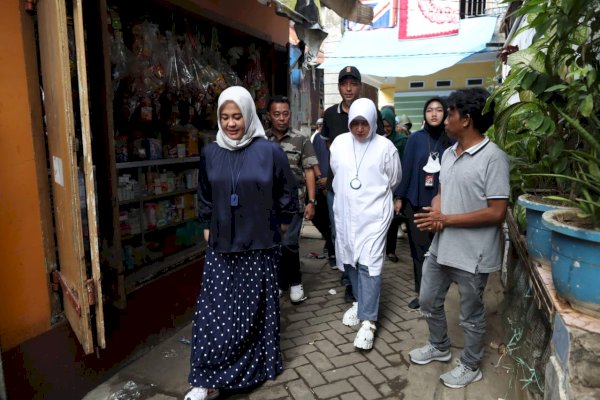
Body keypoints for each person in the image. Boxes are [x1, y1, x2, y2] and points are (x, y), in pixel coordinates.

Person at [186, 86, 298, 400]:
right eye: (225, 117)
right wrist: (207, 225)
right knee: (214, 311)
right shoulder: (210, 152)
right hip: (221, 246)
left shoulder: (269, 151)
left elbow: (287, 193)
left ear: (248, 115)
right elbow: (205, 193)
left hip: (260, 246)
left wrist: (280, 227)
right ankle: (208, 377)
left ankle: (252, 370)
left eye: (237, 116)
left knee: (253, 311)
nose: (231, 123)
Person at [408, 88, 509, 388]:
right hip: (443, 247)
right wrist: (436, 210)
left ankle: (471, 364)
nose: (444, 118)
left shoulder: (494, 158)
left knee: (471, 315)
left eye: (449, 112)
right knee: (427, 300)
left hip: (473, 254)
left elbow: (497, 212)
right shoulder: (449, 153)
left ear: (466, 119)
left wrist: (446, 219)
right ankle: (439, 346)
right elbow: (442, 190)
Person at [330, 98, 401, 350]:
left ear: (373, 122)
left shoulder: (385, 148)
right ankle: (360, 304)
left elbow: (394, 179)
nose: (360, 129)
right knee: (350, 260)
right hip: (346, 214)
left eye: (364, 123)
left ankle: (369, 322)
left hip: (374, 216)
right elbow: (336, 173)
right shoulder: (339, 143)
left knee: (369, 264)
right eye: (355, 123)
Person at [322, 66, 384, 302]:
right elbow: (330, 147)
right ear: (339, 86)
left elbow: (379, 149)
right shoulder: (329, 114)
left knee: (364, 234)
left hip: (366, 191)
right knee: (341, 234)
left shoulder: (371, 112)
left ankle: (364, 279)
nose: (348, 88)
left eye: (353, 83)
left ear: (360, 86)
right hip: (337, 189)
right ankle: (349, 281)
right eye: (344, 83)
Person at [393, 97, 451, 310]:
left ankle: (439, 295)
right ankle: (421, 293)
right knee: (418, 252)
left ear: (445, 114)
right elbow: (406, 169)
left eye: (438, 110)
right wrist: (399, 197)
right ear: (424, 115)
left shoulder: (451, 141)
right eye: (429, 110)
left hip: (443, 206)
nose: (434, 114)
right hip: (415, 204)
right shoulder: (415, 139)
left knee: (441, 253)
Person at [266, 95, 318, 304]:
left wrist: (311, 201)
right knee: (274, 244)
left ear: (290, 114)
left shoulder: (301, 139)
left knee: (289, 243)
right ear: (270, 116)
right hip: (268, 205)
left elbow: (309, 172)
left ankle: (296, 282)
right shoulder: (261, 140)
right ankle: (280, 283)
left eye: (285, 113)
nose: (281, 118)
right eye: (277, 114)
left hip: (294, 202)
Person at [381, 107, 407, 263]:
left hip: (395, 185)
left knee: (392, 219)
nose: (386, 128)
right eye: (383, 125)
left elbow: (404, 165)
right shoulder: (375, 139)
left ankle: (390, 250)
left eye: (388, 125)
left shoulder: (401, 141)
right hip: (379, 185)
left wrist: (399, 194)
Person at [310, 118, 335, 265]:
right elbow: (312, 159)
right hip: (320, 184)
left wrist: (330, 181)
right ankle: (329, 240)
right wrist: (320, 179)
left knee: (334, 222)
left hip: (335, 186)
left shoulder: (341, 140)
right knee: (319, 217)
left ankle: (333, 253)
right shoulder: (317, 139)